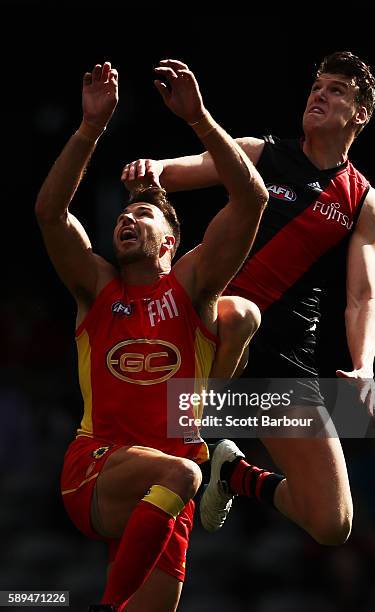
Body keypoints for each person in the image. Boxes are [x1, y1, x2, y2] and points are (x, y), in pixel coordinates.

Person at [122, 51, 375, 545]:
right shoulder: (261, 154)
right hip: (215, 321)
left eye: (335, 90)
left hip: (287, 353)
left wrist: (365, 366)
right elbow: (184, 169)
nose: (319, 95)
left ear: (360, 114)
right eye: (316, 87)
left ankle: (233, 474)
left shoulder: (364, 201)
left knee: (332, 522)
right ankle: (195, 433)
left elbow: (362, 296)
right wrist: (153, 167)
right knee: (240, 316)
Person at [35, 59, 268, 611]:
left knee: (243, 318)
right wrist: (91, 128)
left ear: (170, 244)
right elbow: (50, 214)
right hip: (97, 469)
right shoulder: (97, 286)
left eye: (143, 213)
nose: (128, 219)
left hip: (169, 492)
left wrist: (200, 119)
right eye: (124, 214)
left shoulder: (192, 286)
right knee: (186, 468)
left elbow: (252, 200)